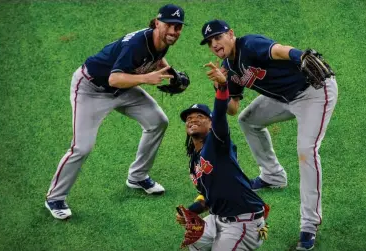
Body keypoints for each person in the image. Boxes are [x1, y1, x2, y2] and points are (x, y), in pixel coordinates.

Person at [199, 20, 338, 250]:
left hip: (314, 93)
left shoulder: (249, 44)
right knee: (248, 120)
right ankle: (273, 175)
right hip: (284, 98)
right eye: (210, 42)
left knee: (307, 151)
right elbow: (232, 109)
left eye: (218, 37)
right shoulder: (229, 68)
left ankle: (309, 225)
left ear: (231, 34)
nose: (214, 44)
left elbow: (278, 50)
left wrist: (299, 56)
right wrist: (222, 87)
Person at [45, 4, 186, 220]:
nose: (173, 32)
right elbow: (114, 78)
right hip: (91, 89)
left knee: (158, 121)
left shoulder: (162, 40)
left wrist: (172, 74)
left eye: (178, 27)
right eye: (169, 25)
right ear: (157, 23)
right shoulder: (137, 44)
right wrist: (146, 79)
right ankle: (54, 197)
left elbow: (156, 58)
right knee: (82, 147)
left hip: (122, 89)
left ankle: (138, 177)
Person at [176, 62, 269, 251]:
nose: (192, 119)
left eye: (200, 117)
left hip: (243, 222)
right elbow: (206, 194)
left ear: (210, 125)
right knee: (196, 240)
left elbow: (219, 115)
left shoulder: (218, 143)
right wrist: (192, 210)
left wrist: (223, 87)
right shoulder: (195, 158)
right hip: (218, 217)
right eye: (189, 118)